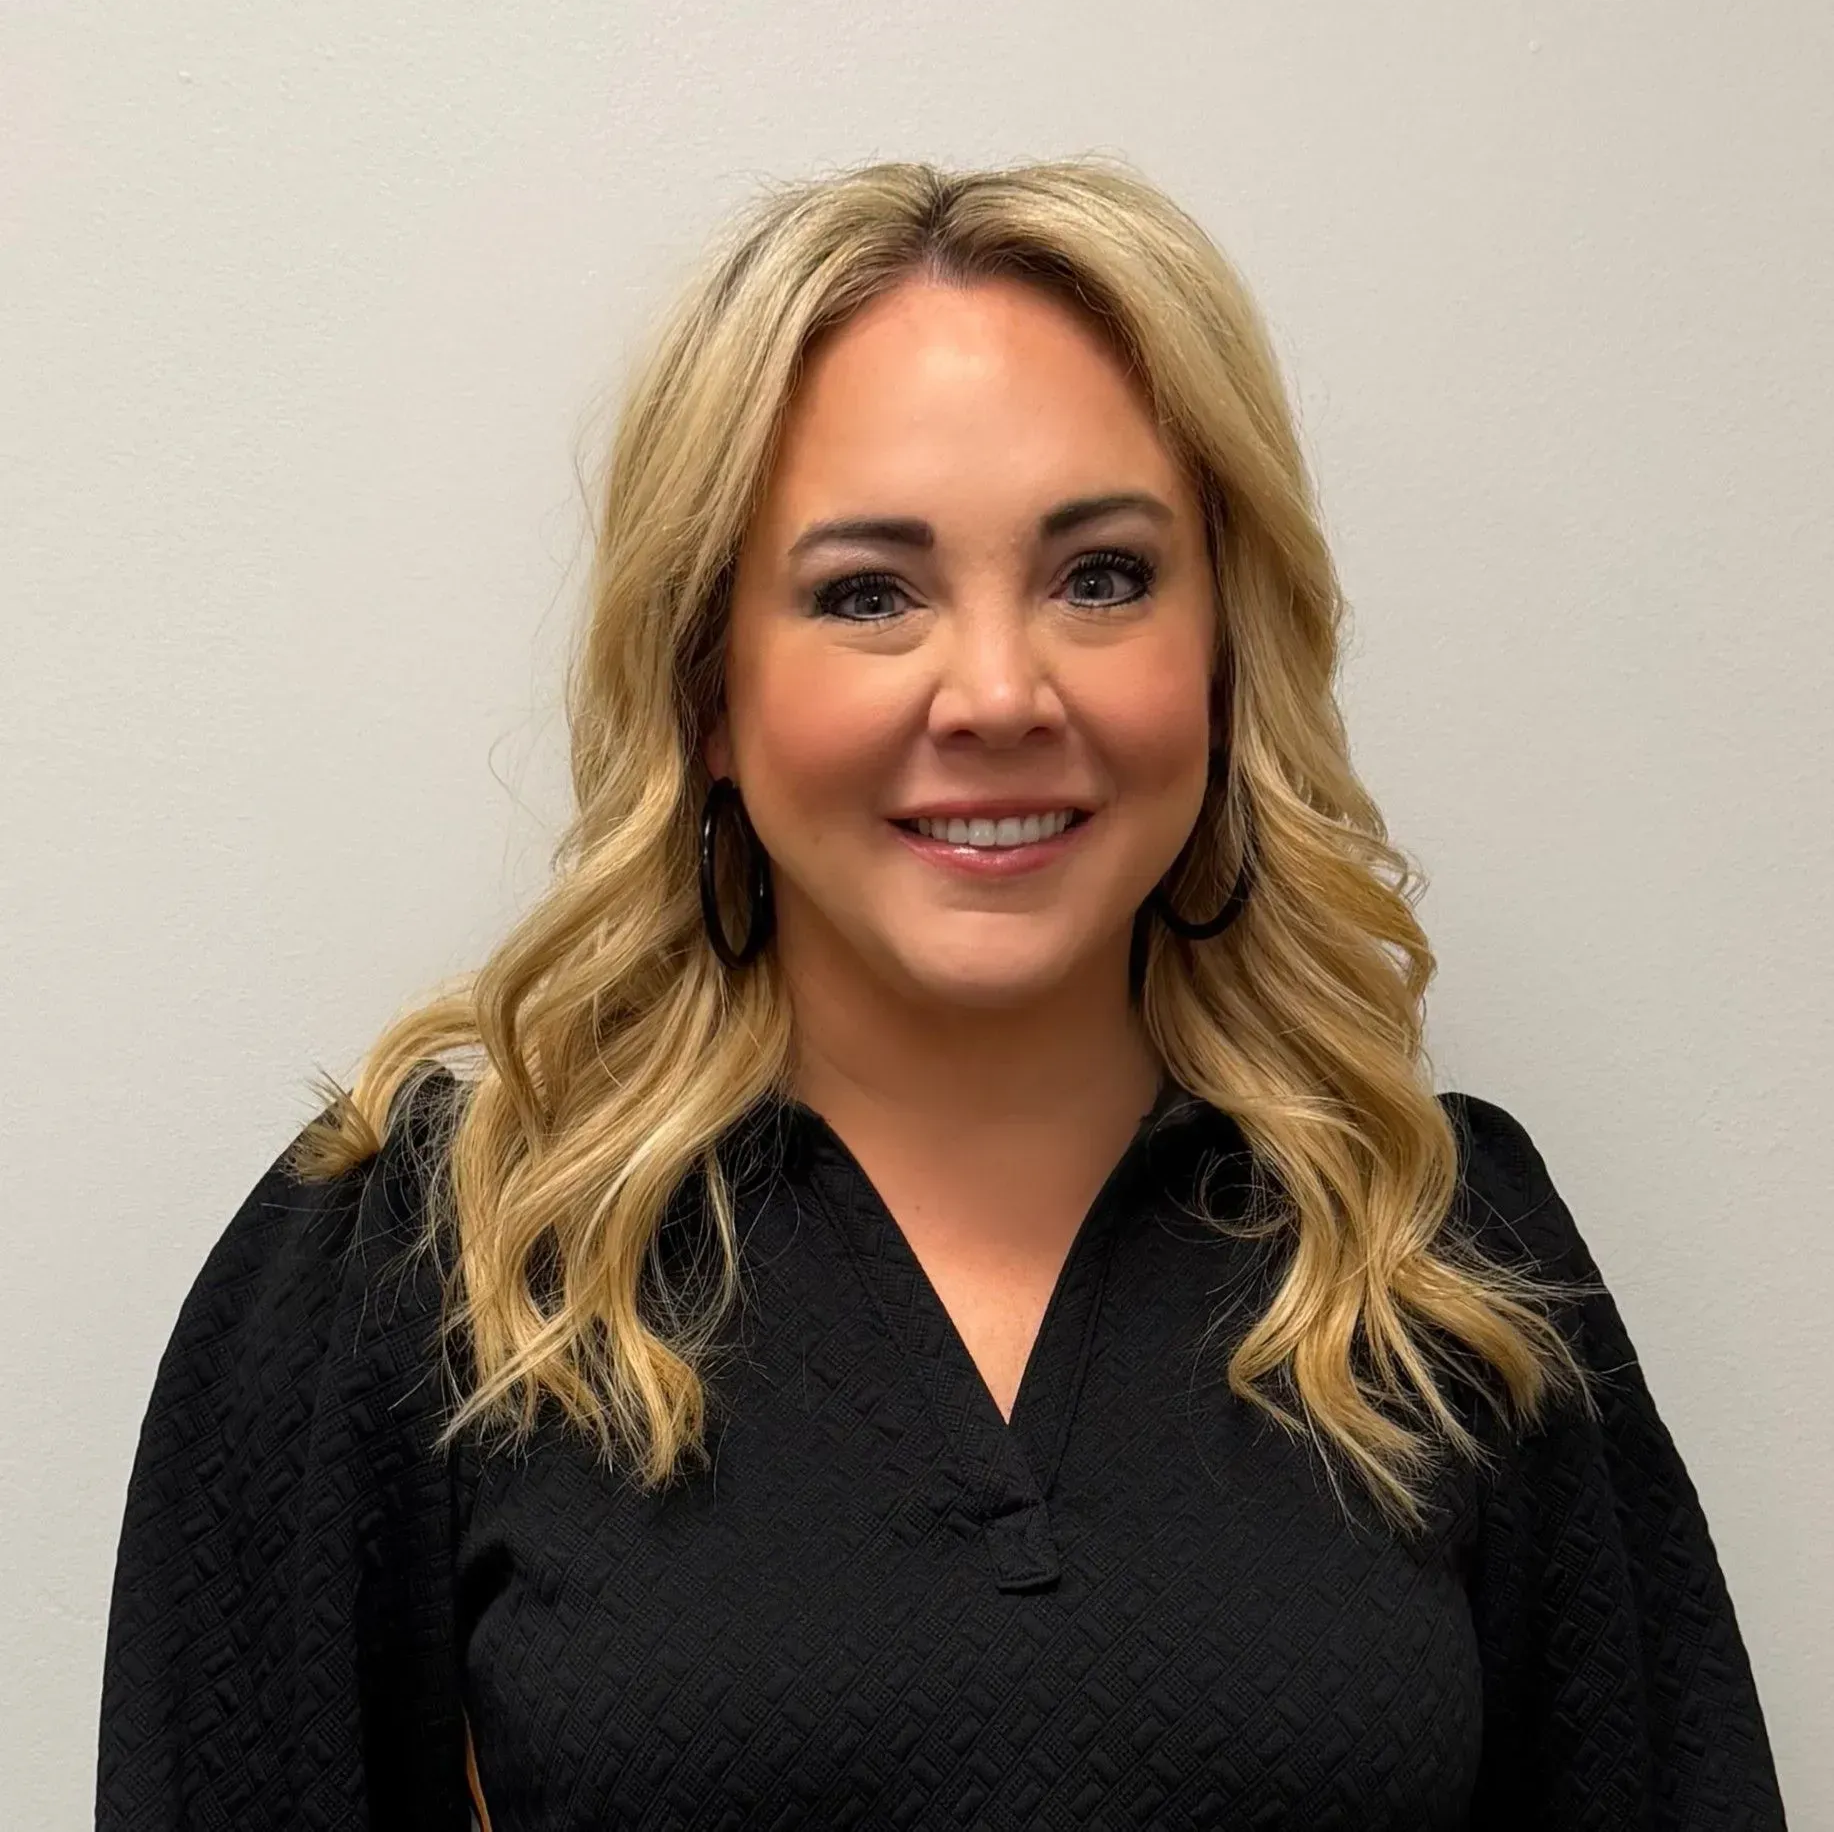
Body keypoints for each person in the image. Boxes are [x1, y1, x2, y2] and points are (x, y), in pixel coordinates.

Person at [96, 156, 1787, 1831]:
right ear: (705, 685)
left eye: (1101, 575)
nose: (996, 689)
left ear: (1221, 648)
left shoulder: (1441, 1257)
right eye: (866, 593)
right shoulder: (415, 1263)